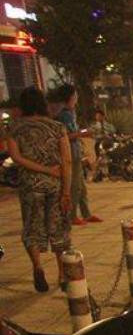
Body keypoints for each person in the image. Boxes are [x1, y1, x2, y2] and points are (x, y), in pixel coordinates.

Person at [6, 86, 71, 293]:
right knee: (57, 228)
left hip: (29, 186)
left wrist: (40, 170)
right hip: (55, 185)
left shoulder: (14, 128)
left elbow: (16, 158)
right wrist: (66, 191)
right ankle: (62, 274)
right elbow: (67, 160)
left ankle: (38, 266)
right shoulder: (57, 127)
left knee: (32, 227)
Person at [54, 84, 100, 226]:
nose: (77, 97)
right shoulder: (64, 115)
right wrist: (83, 133)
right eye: (75, 95)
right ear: (71, 96)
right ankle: (71, 216)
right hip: (70, 154)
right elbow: (65, 136)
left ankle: (86, 214)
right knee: (74, 186)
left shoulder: (70, 113)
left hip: (76, 152)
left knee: (81, 185)